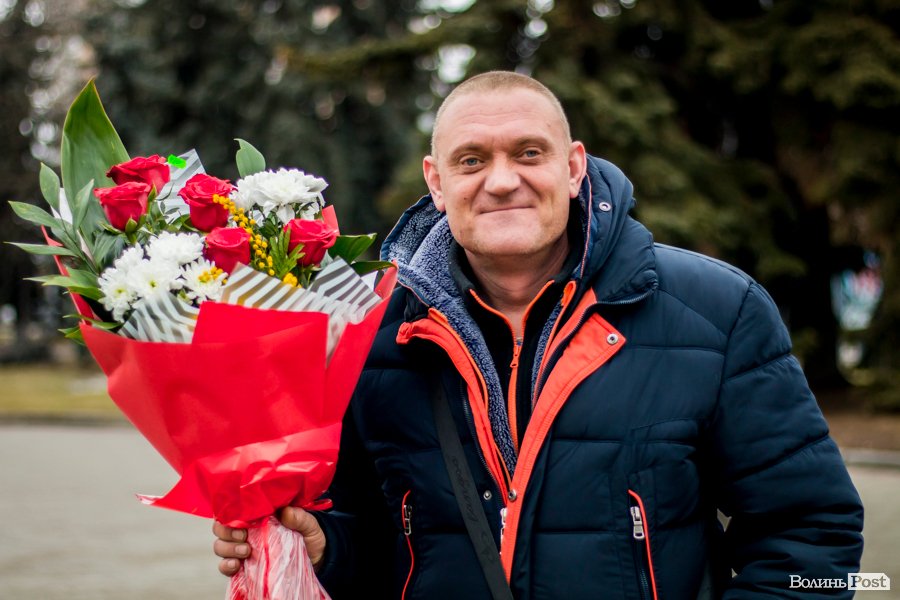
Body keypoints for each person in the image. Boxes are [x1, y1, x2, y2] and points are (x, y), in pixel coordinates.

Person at [214, 71, 864, 598]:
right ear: (436, 182)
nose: (502, 181)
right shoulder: (370, 329)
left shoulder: (718, 310)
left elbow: (811, 534)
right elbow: (381, 537)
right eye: (472, 160)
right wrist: (325, 548)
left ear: (575, 167)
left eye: (529, 153)